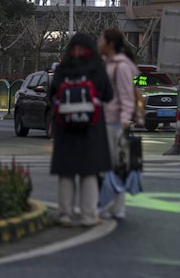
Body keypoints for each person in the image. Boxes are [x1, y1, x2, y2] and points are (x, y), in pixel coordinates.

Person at [49, 33, 113, 228]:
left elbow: (52, 94)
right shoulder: (97, 68)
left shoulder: (62, 68)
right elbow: (108, 94)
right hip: (91, 128)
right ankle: (88, 216)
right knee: (89, 172)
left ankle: (64, 215)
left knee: (66, 173)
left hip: (65, 127)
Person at [97, 28, 140, 221]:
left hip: (114, 122)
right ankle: (116, 207)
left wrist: (124, 120)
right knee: (117, 166)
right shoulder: (107, 64)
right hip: (107, 120)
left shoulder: (120, 66)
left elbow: (127, 95)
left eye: (101, 39)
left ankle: (108, 206)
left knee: (111, 167)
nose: (98, 43)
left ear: (110, 43)